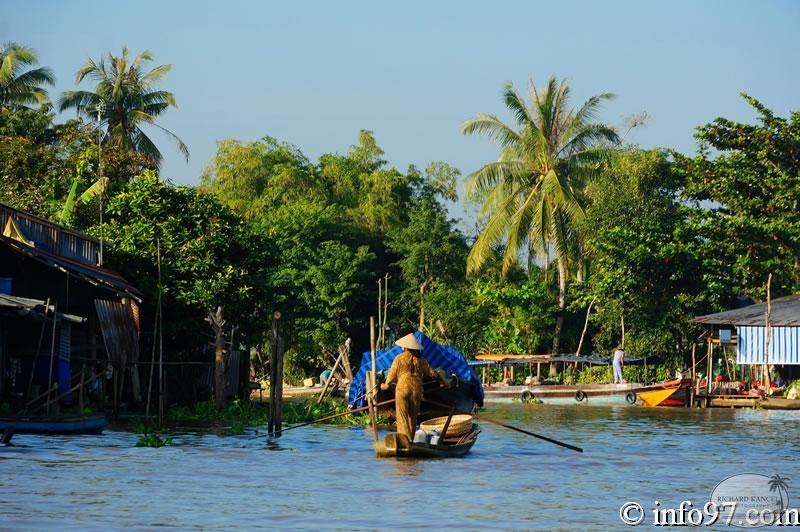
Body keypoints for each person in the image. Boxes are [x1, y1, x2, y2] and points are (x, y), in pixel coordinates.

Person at [380, 332, 446, 441]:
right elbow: (433, 373)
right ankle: (410, 440)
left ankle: (404, 441)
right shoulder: (421, 360)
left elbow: (389, 379)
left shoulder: (399, 358)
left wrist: (383, 386)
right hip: (416, 390)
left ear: (405, 347)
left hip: (402, 388)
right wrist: (442, 381)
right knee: (413, 418)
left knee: (402, 418)